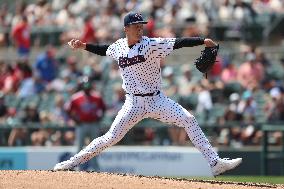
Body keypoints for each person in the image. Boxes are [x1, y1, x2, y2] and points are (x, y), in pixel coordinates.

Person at [54, 12, 242, 176]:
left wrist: (202, 41)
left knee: (189, 120)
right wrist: (84, 45)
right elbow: (104, 50)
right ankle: (71, 163)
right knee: (110, 138)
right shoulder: (118, 46)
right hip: (132, 103)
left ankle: (215, 163)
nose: (140, 29)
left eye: (141, 26)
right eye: (136, 26)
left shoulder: (151, 44)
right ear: (126, 28)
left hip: (157, 100)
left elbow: (179, 43)